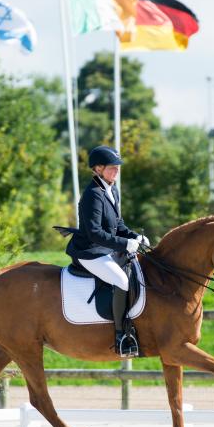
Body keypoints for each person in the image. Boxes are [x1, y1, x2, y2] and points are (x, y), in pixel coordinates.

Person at [65, 145, 150, 357]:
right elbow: (94, 233)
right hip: (89, 251)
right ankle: (122, 334)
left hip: (105, 248)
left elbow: (118, 225)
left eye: (117, 167)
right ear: (98, 169)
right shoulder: (92, 194)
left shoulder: (112, 189)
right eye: (112, 167)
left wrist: (133, 237)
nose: (117, 171)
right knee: (121, 280)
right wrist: (123, 245)